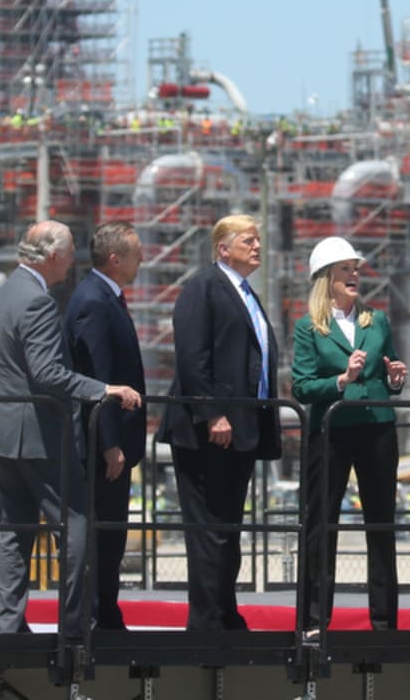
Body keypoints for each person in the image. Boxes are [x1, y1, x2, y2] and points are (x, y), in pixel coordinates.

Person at [0, 221, 143, 635]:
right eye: (71, 252)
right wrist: (104, 388)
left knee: (12, 531)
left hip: (2, 434)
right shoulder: (37, 301)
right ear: (53, 256)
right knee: (76, 527)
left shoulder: (5, 293)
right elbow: (48, 374)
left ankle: (10, 626)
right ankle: (75, 626)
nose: (74, 260)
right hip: (38, 435)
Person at [156, 213, 282, 632]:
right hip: (207, 431)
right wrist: (212, 412)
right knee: (208, 527)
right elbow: (192, 357)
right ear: (223, 248)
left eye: (258, 239)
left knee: (228, 526)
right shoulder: (203, 287)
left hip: (242, 429)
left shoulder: (245, 293)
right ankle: (206, 620)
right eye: (248, 240)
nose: (257, 246)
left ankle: (225, 611)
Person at [290, 237, 409, 633]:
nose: (355, 275)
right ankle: (312, 620)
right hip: (331, 431)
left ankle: (383, 622)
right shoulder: (309, 328)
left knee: (381, 524)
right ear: (326, 278)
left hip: (376, 428)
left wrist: (394, 380)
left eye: (356, 268)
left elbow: (388, 372)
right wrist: (342, 379)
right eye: (345, 269)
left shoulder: (377, 321)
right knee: (320, 524)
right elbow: (302, 387)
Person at [65, 220, 149, 633]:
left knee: (113, 533)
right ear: (115, 259)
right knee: (104, 533)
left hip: (114, 441)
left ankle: (108, 613)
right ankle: (98, 616)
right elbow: (98, 376)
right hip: (103, 446)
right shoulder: (94, 302)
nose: (142, 261)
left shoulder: (106, 297)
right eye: (136, 253)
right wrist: (109, 443)